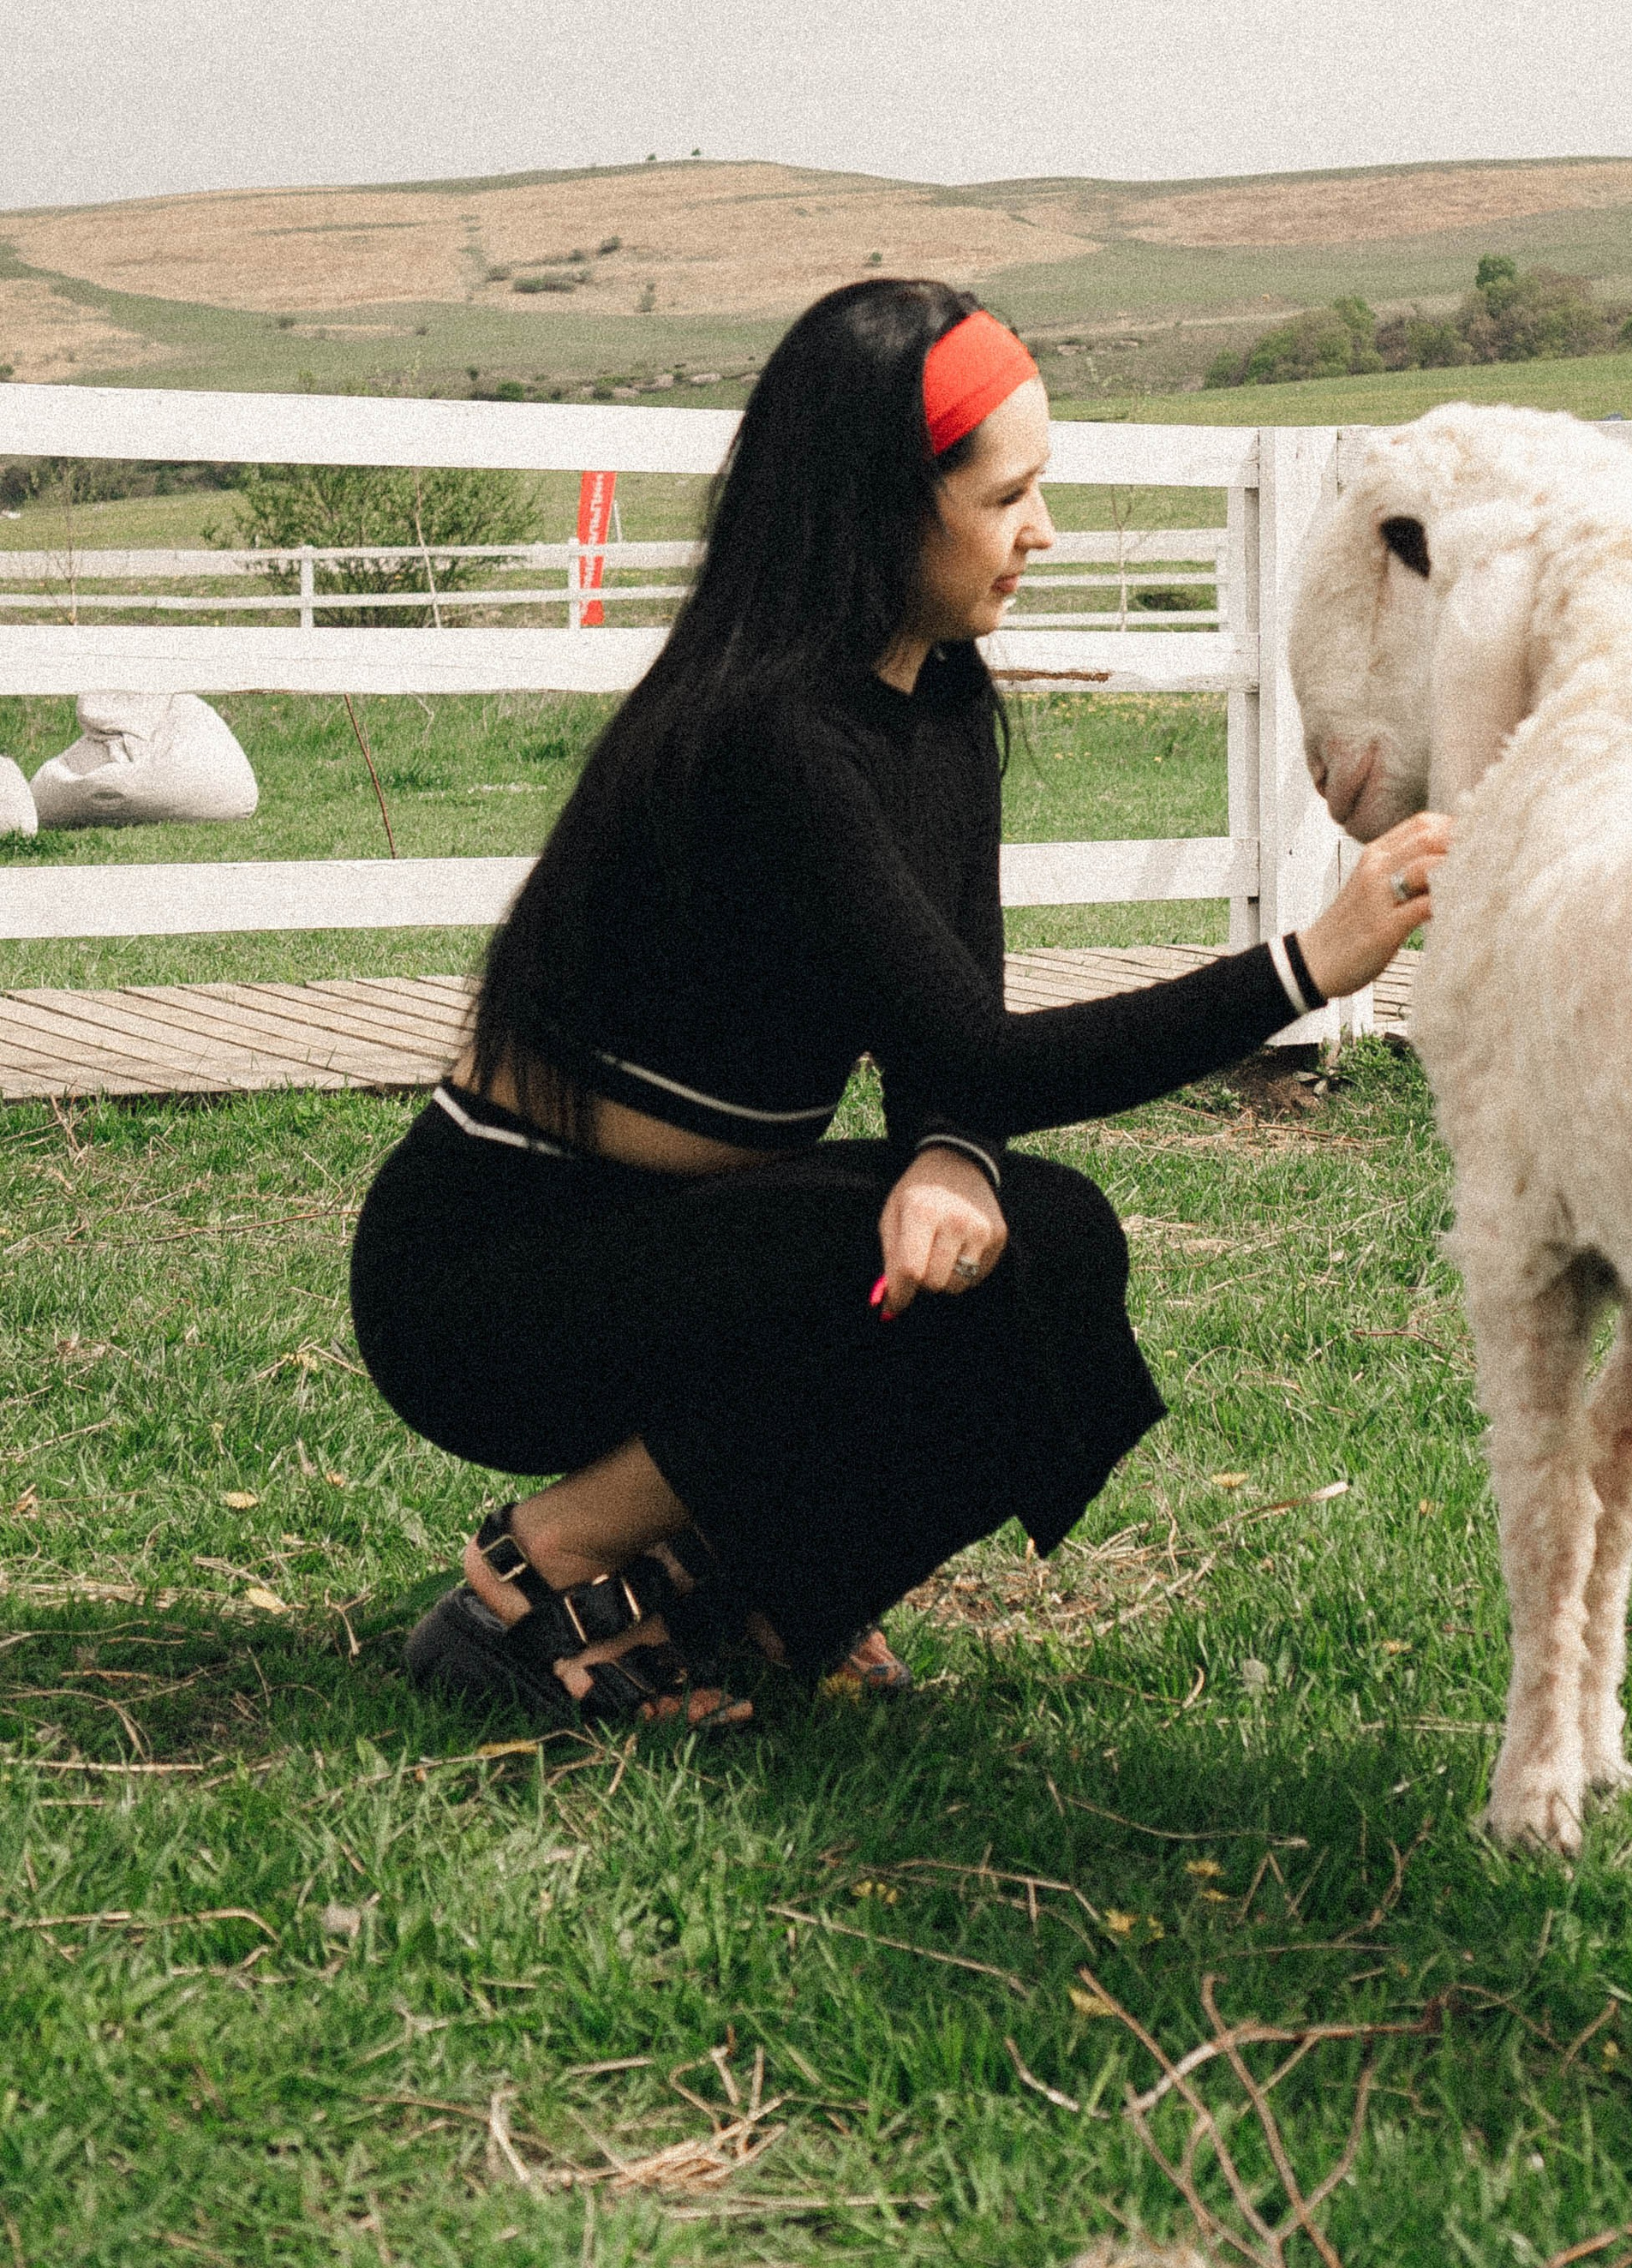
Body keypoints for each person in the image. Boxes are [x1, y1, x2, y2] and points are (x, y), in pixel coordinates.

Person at [349, 278, 1449, 1728]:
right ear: (880, 502)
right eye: (1010, 496)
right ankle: (531, 1575)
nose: (1040, 532)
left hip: (699, 1244)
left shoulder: (937, 706)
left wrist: (949, 1148)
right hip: (499, 1272)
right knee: (1026, 1248)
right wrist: (1306, 970)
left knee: (1045, 1253)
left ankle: (750, 1595)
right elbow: (982, 1048)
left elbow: (950, 1023)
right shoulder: (771, 735)